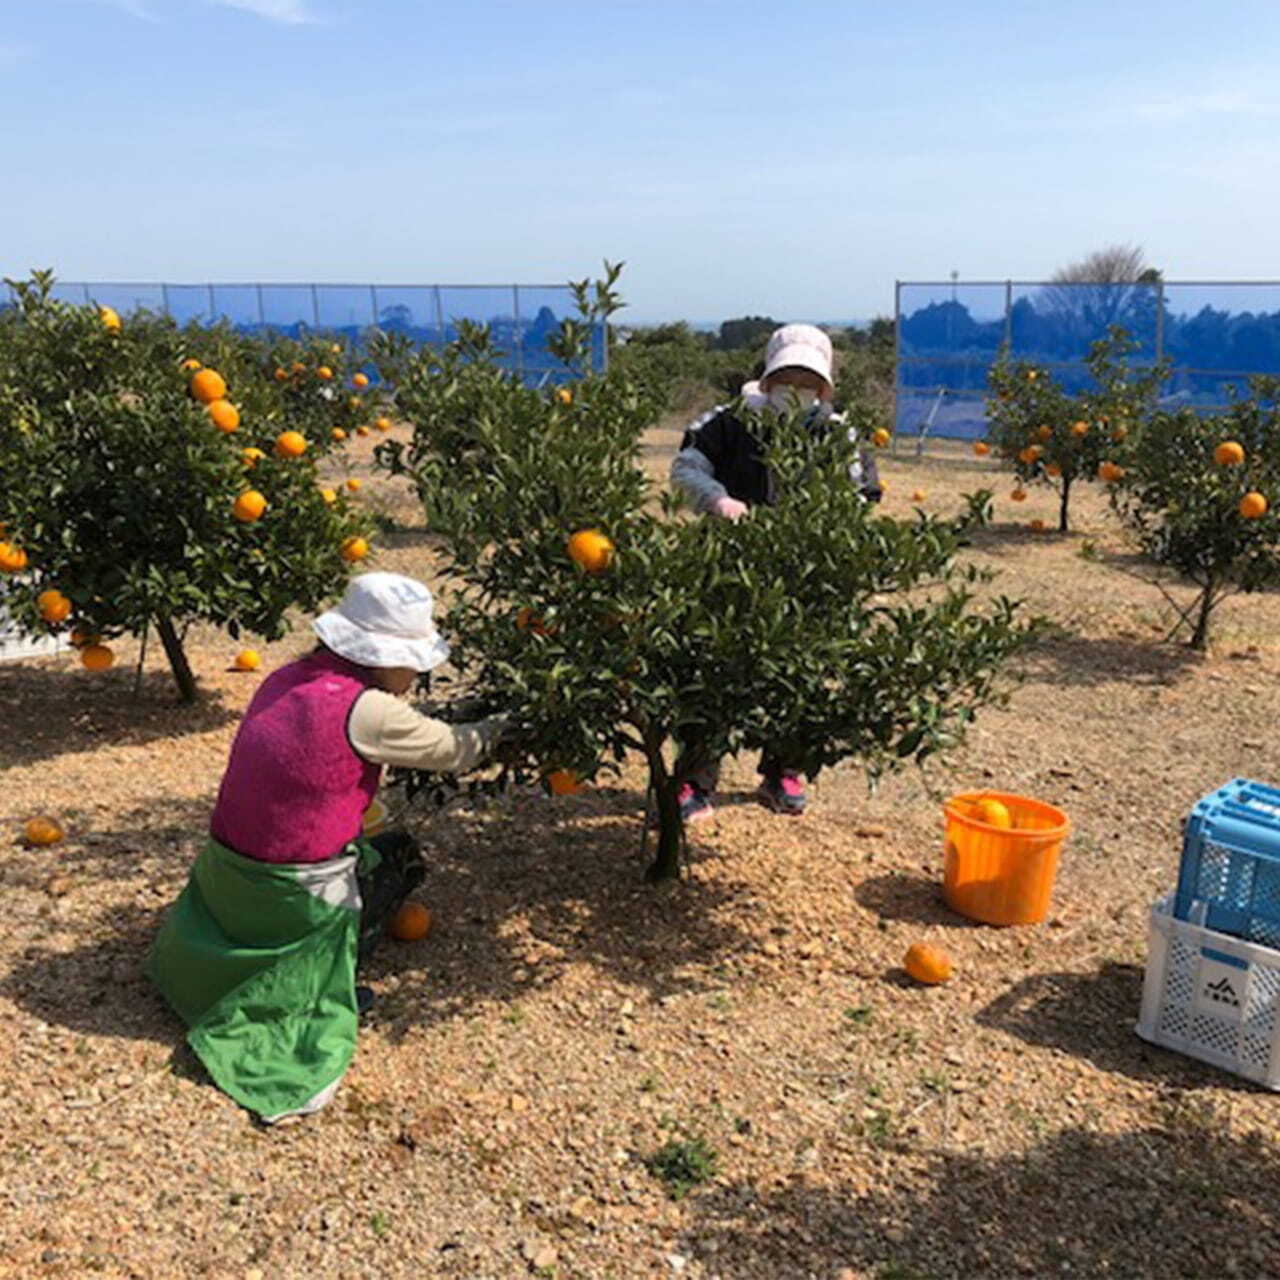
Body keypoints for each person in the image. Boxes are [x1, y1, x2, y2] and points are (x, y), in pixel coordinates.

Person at [148, 572, 507, 1123]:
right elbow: (455, 749)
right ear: (382, 655)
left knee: (367, 844)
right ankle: (322, 980)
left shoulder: (287, 677)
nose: (417, 673)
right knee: (399, 861)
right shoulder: (369, 710)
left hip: (226, 874)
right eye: (412, 660)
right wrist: (512, 723)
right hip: (291, 893)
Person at [669, 323, 881, 823]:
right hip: (728, 565)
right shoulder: (729, 422)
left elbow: (861, 493)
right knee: (713, 665)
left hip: (803, 570)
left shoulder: (836, 432)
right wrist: (718, 500)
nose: (798, 390)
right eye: (787, 378)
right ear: (767, 377)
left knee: (800, 668)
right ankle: (695, 779)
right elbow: (684, 468)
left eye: (809, 382)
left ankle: (783, 769)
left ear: (825, 387)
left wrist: (827, 528)